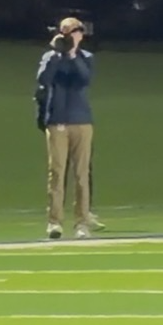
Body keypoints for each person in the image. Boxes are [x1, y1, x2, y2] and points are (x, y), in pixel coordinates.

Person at [36, 16, 96, 240]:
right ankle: (54, 222)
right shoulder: (50, 57)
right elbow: (43, 79)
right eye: (70, 32)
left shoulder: (86, 57)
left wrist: (72, 56)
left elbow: (84, 79)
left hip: (81, 120)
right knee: (57, 172)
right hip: (58, 120)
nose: (75, 35)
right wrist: (57, 55)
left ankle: (82, 222)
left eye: (78, 31)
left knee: (81, 174)